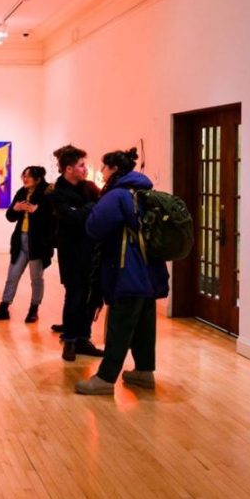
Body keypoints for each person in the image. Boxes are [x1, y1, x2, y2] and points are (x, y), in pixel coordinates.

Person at [75, 148, 170, 395]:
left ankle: (106, 378)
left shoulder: (117, 195)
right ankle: (143, 372)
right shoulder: (146, 191)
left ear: (114, 169)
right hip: (150, 271)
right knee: (144, 324)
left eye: (104, 167)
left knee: (120, 323)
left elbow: (94, 228)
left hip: (127, 271)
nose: (101, 172)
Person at [49, 145, 106, 361]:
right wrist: (91, 207)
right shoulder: (57, 192)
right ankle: (70, 340)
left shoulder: (89, 188)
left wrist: (84, 210)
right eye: (82, 166)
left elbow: (90, 212)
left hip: (91, 251)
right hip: (72, 252)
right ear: (69, 169)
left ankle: (84, 338)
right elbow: (70, 218)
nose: (85, 169)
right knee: (74, 296)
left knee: (90, 297)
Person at [0, 166, 54, 323]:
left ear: (38, 178)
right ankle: (4, 307)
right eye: (23, 175)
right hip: (20, 240)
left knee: (36, 278)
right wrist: (16, 208)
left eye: (28, 176)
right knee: (12, 276)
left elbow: (53, 218)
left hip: (37, 243)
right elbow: (10, 216)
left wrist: (37, 211)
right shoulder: (22, 192)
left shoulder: (47, 193)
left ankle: (33, 309)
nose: (24, 179)